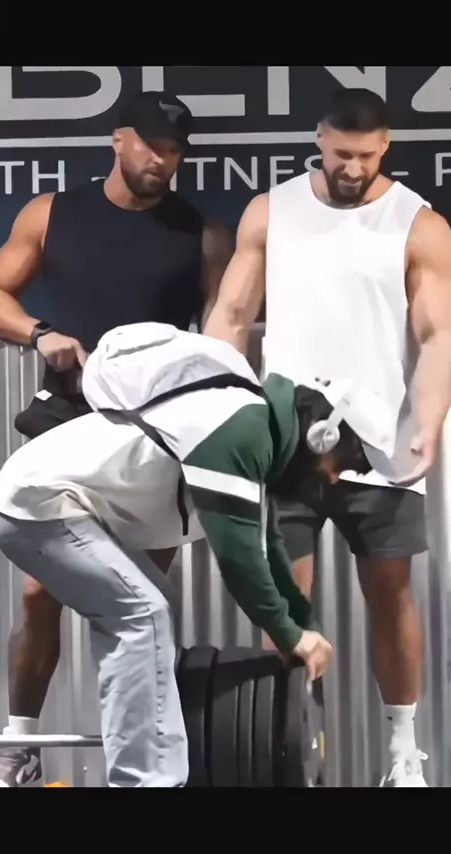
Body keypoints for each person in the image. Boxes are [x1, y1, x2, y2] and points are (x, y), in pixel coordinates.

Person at [0, 319, 397, 787]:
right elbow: (239, 560)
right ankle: (144, 784)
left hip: (64, 507)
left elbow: (267, 551)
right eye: (347, 463)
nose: (335, 478)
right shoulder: (241, 430)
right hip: (39, 505)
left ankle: (151, 772)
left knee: (147, 612)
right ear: (323, 436)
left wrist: (301, 624)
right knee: (141, 614)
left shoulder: (257, 437)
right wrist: (289, 634)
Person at [0, 89, 233, 787]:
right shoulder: (52, 213)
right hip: (67, 421)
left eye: (174, 151)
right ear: (119, 139)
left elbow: (219, 335)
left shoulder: (203, 235)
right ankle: (20, 746)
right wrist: (41, 334)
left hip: (152, 435)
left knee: (139, 600)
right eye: (151, 146)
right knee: (40, 593)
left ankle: (140, 766)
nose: (162, 161)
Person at [204, 87, 451, 787]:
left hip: (380, 440)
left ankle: (403, 754)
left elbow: (438, 336)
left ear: (387, 146)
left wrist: (429, 422)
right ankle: (292, 752)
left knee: (390, 593)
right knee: (287, 601)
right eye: (342, 154)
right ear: (319, 139)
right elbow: (230, 317)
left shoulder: (420, 224)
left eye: (367, 155)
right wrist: (218, 412)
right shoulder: (271, 211)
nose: (354, 167)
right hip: (285, 438)